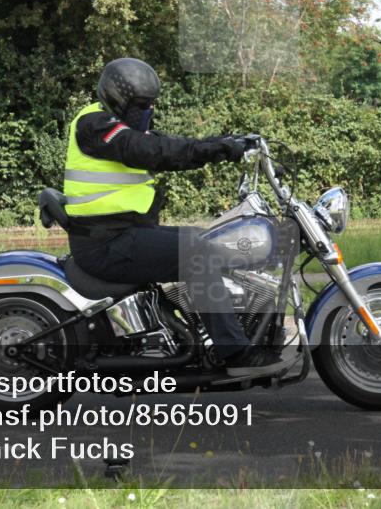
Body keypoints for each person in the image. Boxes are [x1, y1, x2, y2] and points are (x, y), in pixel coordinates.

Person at [63, 57, 288, 375]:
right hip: (106, 242)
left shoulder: (118, 126)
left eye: (151, 104)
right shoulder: (96, 125)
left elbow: (167, 144)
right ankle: (234, 352)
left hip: (123, 235)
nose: (149, 110)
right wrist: (218, 150)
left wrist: (225, 143)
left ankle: (198, 331)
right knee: (195, 251)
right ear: (119, 98)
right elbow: (148, 150)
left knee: (204, 239)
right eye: (143, 104)